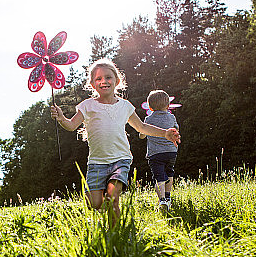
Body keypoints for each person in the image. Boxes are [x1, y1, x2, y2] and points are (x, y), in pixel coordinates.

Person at [50, 59, 181, 222]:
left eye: (108, 77)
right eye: (98, 79)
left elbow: (142, 127)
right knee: (94, 203)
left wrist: (165, 133)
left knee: (113, 196)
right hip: (97, 162)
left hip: (121, 159)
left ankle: (117, 236)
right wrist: (61, 117)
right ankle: (106, 207)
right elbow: (70, 125)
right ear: (92, 84)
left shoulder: (125, 106)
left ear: (117, 81)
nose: (103, 81)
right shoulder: (87, 106)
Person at [140, 90, 179, 210]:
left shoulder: (148, 119)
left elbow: (142, 134)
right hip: (171, 151)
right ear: (168, 106)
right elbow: (176, 130)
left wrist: (143, 135)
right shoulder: (171, 117)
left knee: (159, 176)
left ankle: (162, 200)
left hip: (156, 153)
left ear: (150, 107)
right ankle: (168, 198)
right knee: (170, 172)